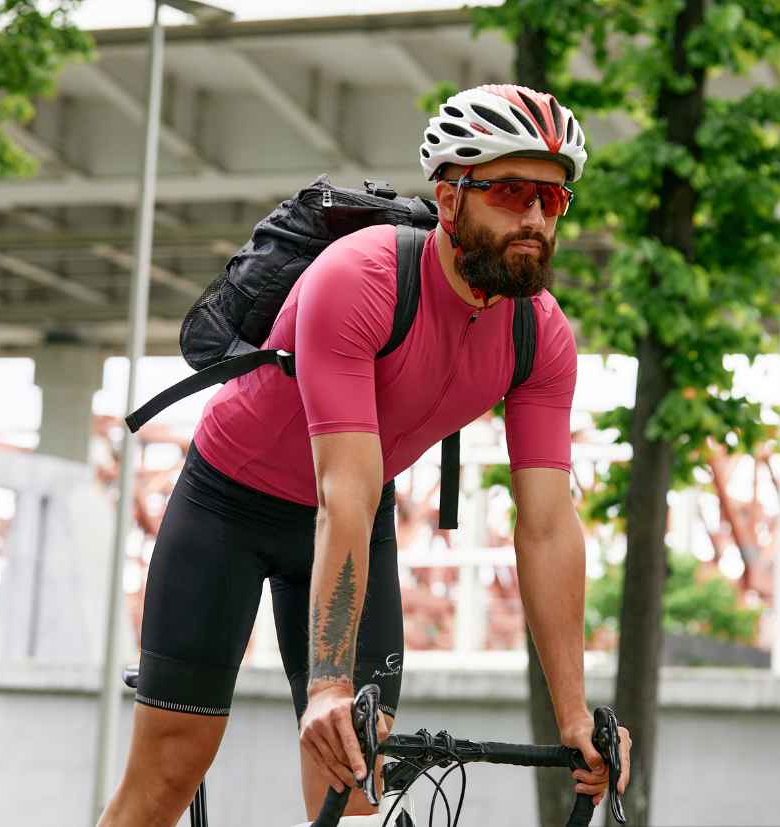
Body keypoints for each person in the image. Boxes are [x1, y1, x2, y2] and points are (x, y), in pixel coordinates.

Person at [97, 84, 632, 826]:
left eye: (554, 199)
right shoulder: (361, 278)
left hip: (357, 514)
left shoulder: (540, 335)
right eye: (512, 192)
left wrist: (573, 715)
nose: (537, 218)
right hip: (230, 507)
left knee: (352, 790)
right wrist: (327, 684)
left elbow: (545, 525)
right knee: (165, 776)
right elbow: (341, 488)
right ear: (449, 201)